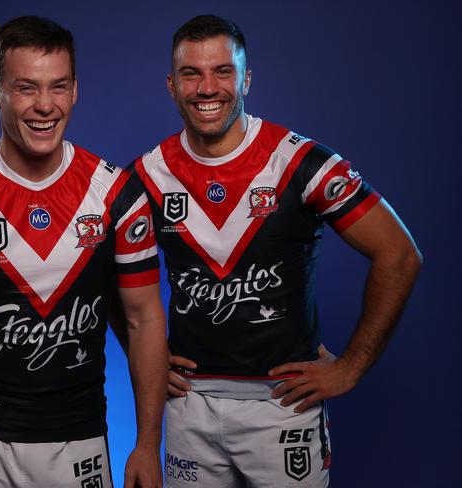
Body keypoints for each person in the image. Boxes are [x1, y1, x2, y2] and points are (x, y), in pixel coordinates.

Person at [129, 14, 422, 488]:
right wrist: (141, 356)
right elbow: (96, 269)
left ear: (247, 78)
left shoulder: (301, 162)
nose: (208, 88)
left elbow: (400, 254)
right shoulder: (146, 175)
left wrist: (350, 367)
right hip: (187, 407)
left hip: (283, 406)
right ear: (171, 84)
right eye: (191, 73)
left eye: (223, 71)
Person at [0, 15, 168, 488]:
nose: (45, 105)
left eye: (58, 87)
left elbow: (143, 319)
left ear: (75, 90)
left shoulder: (117, 195)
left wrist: (146, 444)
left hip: (78, 442)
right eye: (26, 88)